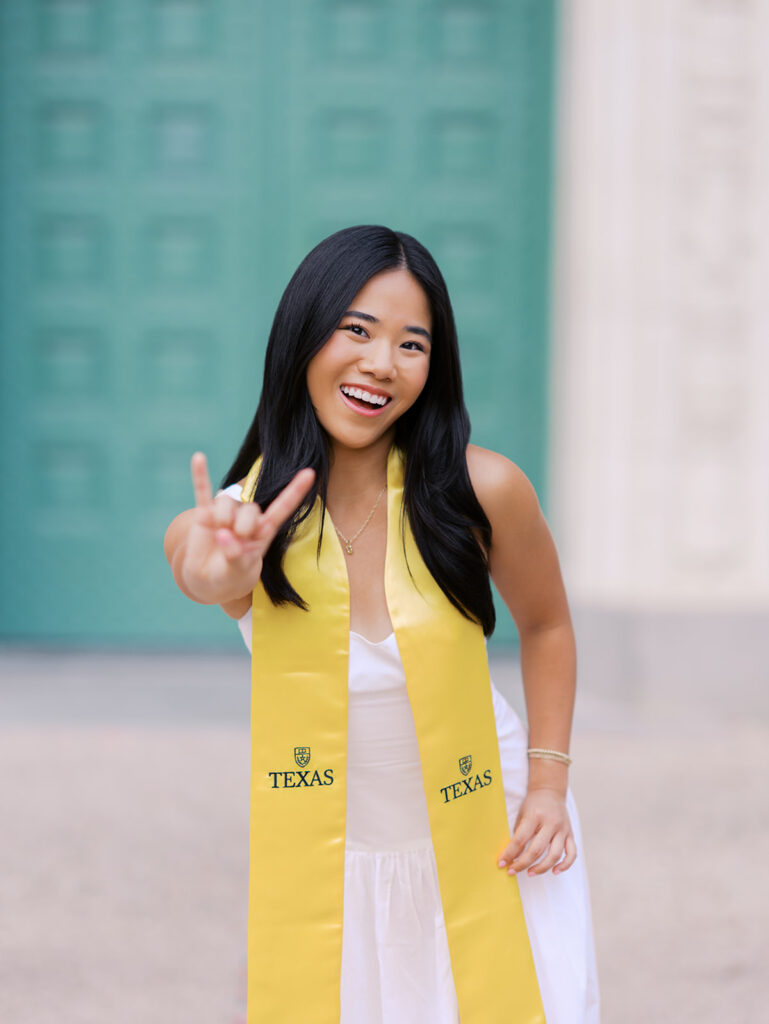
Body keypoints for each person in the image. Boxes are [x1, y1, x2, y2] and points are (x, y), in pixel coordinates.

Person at [164, 225, 599, 1023]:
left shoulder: (483, 489)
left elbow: (546, 626)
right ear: (303, 336)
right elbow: (202, 569)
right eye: (355, 330)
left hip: (493, 832)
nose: (379, 363)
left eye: (411, 343)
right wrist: (224, 563)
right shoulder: (243, 520)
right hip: (338, 859)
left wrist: (546, 782)